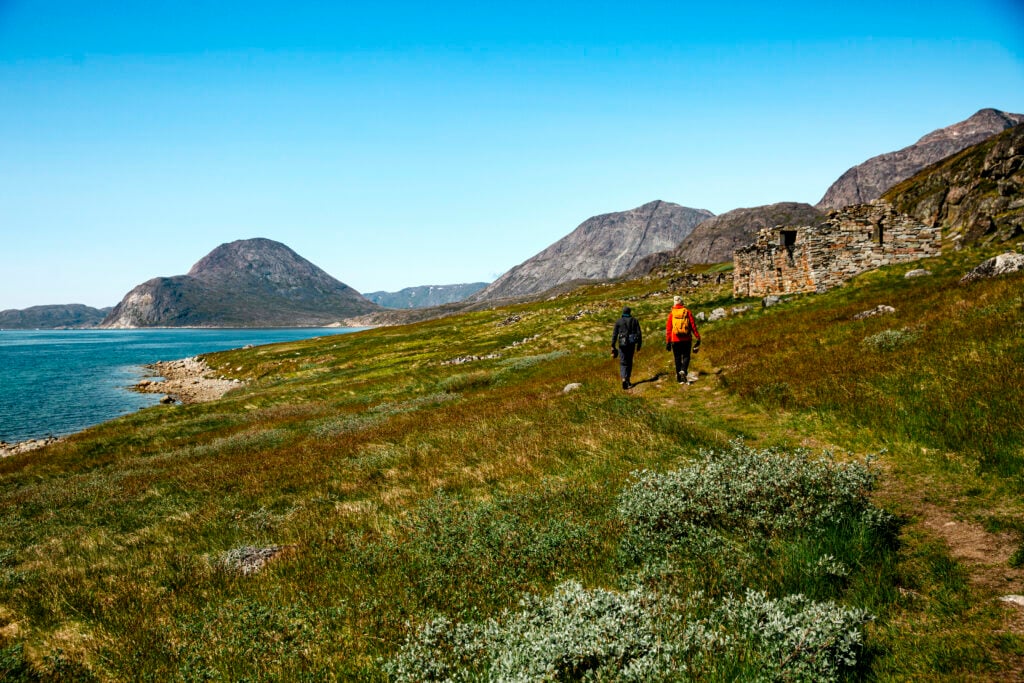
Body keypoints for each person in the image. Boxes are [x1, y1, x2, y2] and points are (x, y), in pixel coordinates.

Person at [665, 295, 701, 384]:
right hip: (686, 339)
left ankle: (679, 378)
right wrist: (698, 337)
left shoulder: (672, 314)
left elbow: (669, 329)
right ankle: (684, 370)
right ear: (682, 302)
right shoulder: (687, 312)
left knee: (677, 358)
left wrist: (668, 342)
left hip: (675, 339)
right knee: (686, 356)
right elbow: (693, 326)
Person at [611, 306, 642, 390]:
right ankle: (628, 379)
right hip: (631, 344)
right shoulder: (634, 320)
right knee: (629, 361)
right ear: (629, 312)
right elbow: (639, 333)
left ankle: (624, 379)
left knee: (623, 362)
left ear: (623, 312)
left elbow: (614, 334)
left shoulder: (618, 321)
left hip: (622, 344)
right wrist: (639, 344)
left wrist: (612, 345)